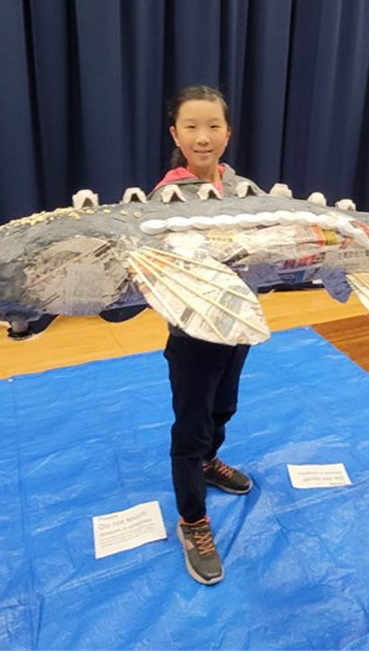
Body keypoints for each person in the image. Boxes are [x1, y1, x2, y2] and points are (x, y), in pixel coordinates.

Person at [157, 85, 258, 586]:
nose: (203, 137)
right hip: (193, 335)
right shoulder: (163, 198)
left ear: (228, 132)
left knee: (224, 409)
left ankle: (209, 462)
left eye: (213, 126)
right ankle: (192, 519)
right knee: (191, 425)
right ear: (175, 134)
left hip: (237, 325)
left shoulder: (244, 190)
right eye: (191, 127)